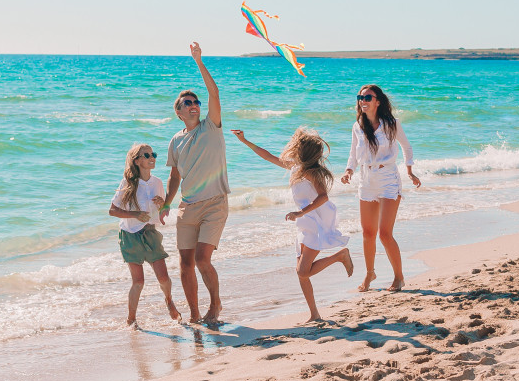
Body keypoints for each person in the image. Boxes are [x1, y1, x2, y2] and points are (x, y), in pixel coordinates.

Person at [232, 127, 353, 322]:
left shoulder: (312, 172)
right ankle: (314, 314)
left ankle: (340, 256)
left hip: (314, 223)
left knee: (303, 271)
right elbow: (268, 156)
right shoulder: (295, 168)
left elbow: (323, 197)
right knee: (302, 274)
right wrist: (245, 141)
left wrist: (300, 212)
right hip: (304, 224)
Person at [160, 42, 230, 324]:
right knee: (185, 265)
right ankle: (194, 313)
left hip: (215, 204)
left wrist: (198, 61)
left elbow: (214, 92)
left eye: (195, 102)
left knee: (203, 260)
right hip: (186, 208)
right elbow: (175, 174)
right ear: (178, 112)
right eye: (187, 103)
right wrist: (166, 203)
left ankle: (215, 305)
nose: (194, 105)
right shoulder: (175, 141)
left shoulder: (211, 126)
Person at [341, 85, 421, 292]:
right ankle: (370, 274)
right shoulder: (357, 126)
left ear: (378, 101)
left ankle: (399, 277)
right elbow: (352, 153)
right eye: (360, 97)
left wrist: (410, 171)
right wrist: (349, 170)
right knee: (368, 233)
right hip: (366, 180)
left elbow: (407, 146)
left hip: (388, 179)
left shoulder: (391, 124)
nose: (363, 100)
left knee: (385, 233)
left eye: (368, 97)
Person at [109, 143, 182, 326]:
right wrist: (134, 215)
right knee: (138, 282)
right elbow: (112, 210)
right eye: (147, 155)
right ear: (137, 161)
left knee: (163, 277)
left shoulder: (157, 182)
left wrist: (162, 204)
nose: (152, 157)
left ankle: (169, 301)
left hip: (150, 233)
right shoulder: (128, 183)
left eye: (153, 154)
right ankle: (131, 319)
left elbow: (163, 212)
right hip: (130, 235)